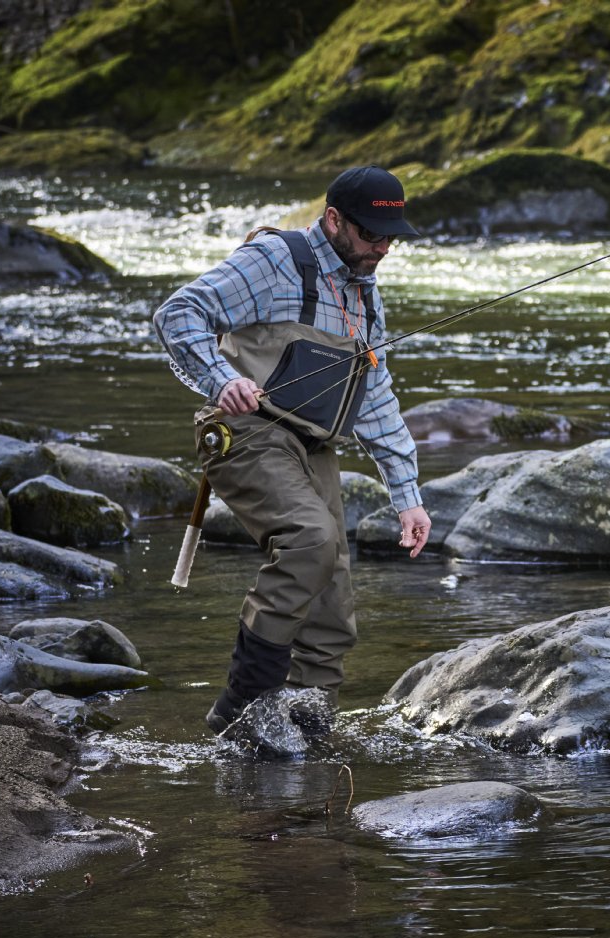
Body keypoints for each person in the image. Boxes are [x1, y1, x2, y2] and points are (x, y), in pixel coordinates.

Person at [153, 165, 432, 735]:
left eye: (390, 237)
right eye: (371, 235)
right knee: (312, 540)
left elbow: (375, 398)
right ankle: (241, 711)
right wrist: (218, 380)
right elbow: (179, 314)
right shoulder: (275, 261)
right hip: (246, 430)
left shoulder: (366, 294)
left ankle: (308, 727)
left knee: (332, 609)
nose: (382, 248)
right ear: (333, 220)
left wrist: (407, 496)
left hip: (315, 445)